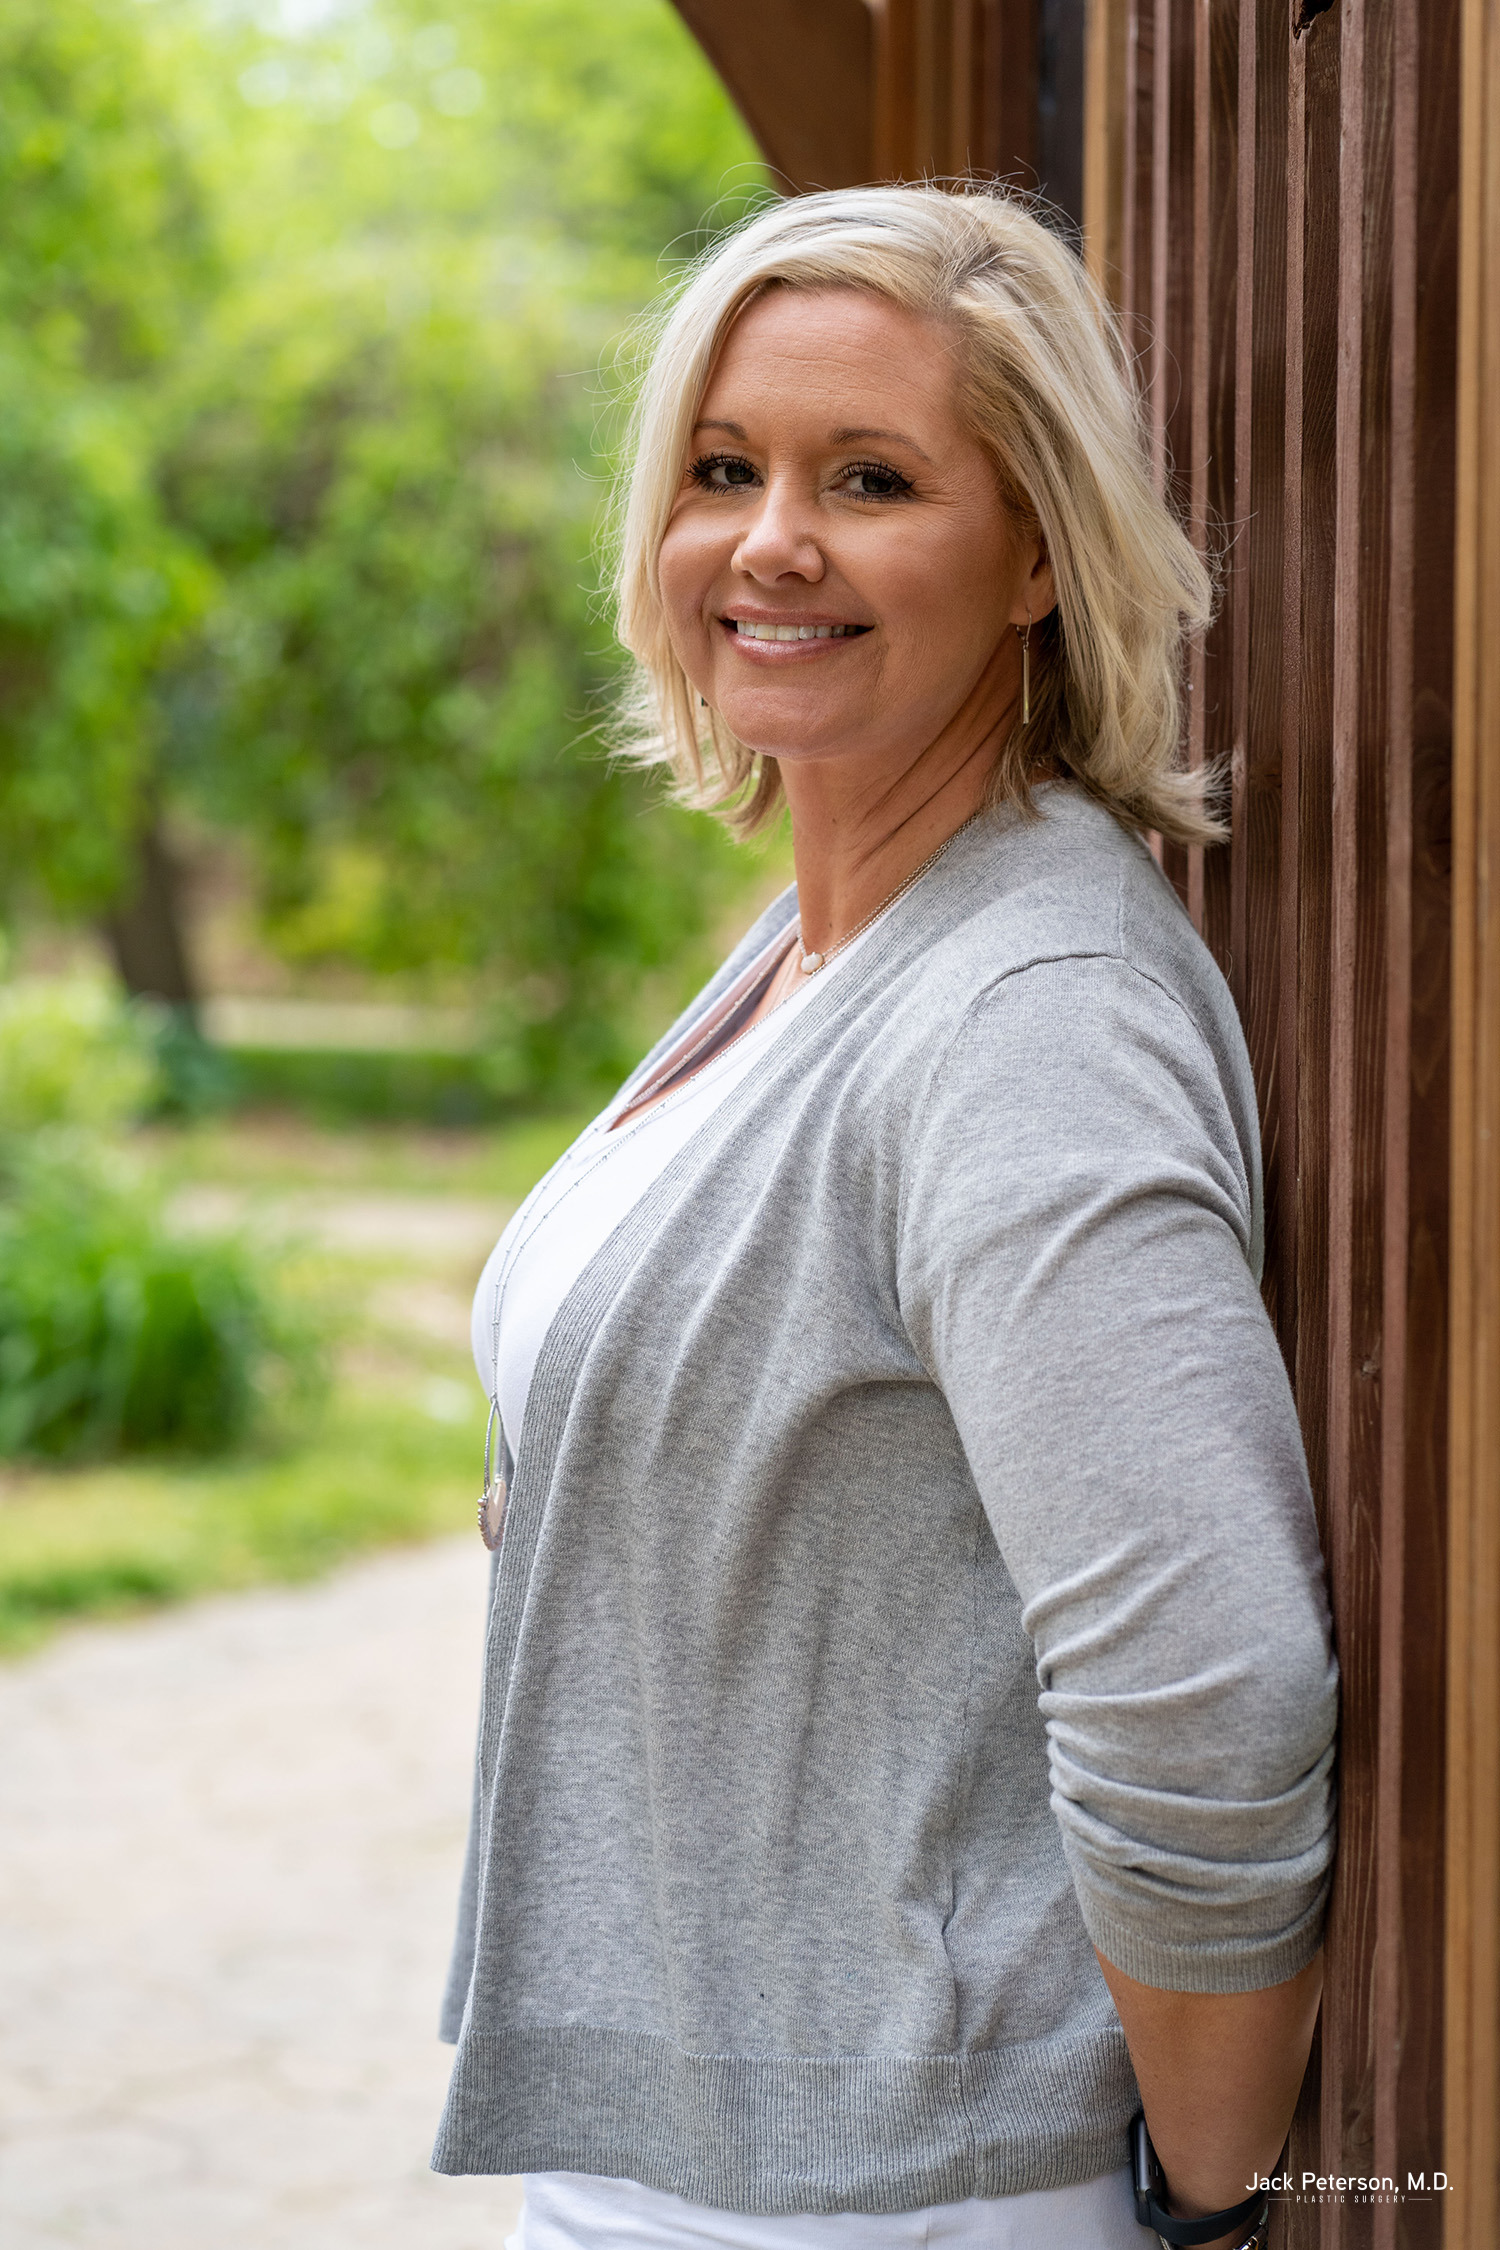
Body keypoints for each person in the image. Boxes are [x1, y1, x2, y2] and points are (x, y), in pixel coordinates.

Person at [435, 185, 1337, 2250]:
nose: (770, 540)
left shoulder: (1027, 1016)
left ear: (1035, 552)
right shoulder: (819, 946)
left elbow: (1205, 1687)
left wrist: (1201, 2199)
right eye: (724, 469)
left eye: (871, 478)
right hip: (703, 2142)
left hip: (882, 2194)